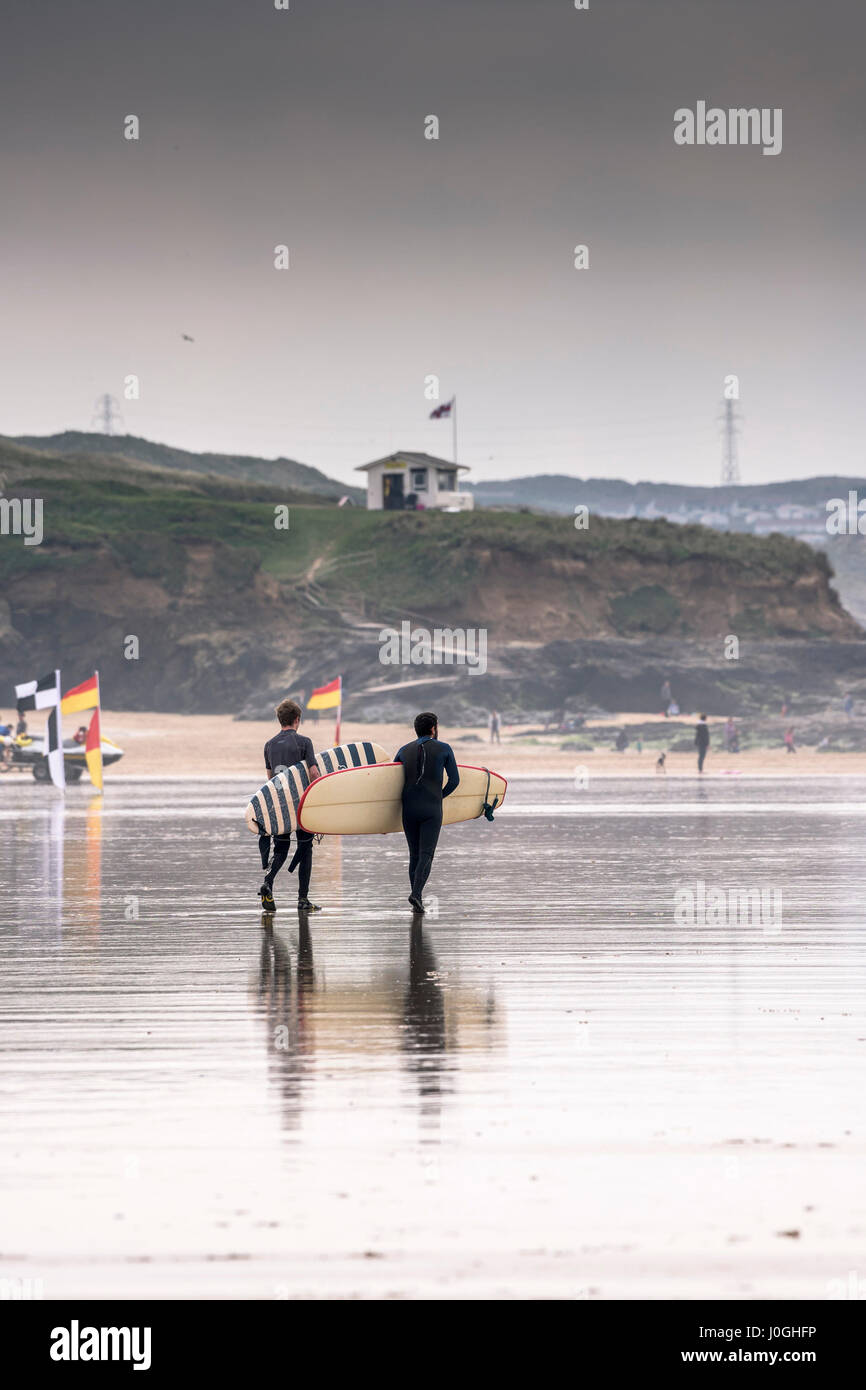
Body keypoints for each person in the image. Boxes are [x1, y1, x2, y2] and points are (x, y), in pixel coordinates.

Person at [258, 699, 322, 914]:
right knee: (306, 848)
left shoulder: (269, 745)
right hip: (302, 805)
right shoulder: (304, 742)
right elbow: (314, 773)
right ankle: (303, 899)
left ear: (280, 720)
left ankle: (268, 882)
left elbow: (270, 779)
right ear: (297, 719)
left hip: (279, 804)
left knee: (281, 849)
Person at [394, 712, 459, 912]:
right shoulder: (444, 748)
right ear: (433, 728)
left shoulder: (403, 750)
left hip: (409, 808)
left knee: (414, 854)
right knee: (426, 854)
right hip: (431, 808)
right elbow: (455, 780)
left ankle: (417, 902)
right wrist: (439, 796)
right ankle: (416, 895)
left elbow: (392, 779)